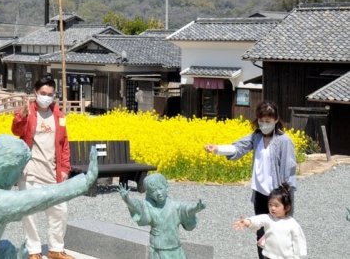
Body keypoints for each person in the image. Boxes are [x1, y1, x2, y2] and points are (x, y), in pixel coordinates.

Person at [204, 100, 297, 259]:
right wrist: (218, 149)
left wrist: (285, 197)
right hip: (260, 194)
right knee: (261, 233)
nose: (264, 124)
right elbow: (239, 147)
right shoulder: (256, 136)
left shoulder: (284, 141)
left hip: (277, 195)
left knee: (278, 232)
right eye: (261, 121)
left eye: (268, 121)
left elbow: (289, 170)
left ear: (276, 120)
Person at [11, 75, 74, 259]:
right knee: (29, 214)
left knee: (60, 211)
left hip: (53, 172)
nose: (46, 97)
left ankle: (56, 248)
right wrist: (20, 118)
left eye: (50, 94)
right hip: (30, 171)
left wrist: (64, 168)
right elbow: (16, 131)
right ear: (35, 93)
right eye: (43, 93)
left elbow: (64, 143)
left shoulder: (58, 115)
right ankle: (34, 251)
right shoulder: (28, 112)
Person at [118, 173, 206, 258]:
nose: (158, 193)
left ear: (167, 187)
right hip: (157, 251)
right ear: (149, 193)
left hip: (175, 250)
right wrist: (127, 199)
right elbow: (138, 207)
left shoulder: (175, 206)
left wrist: (196, 208)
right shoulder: (149, 206)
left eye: (160, 188)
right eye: (153, 191)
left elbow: (186, 209)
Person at [233, 183, 307, 259]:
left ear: (287, 207)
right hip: (269, 256)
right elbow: (258, 220)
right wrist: (247, 222)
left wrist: (297, 256)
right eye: (270, 205)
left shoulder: (292, 223)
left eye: (276, 205)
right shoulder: (268, 218)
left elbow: (298, 240)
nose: (272, 208)